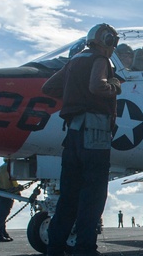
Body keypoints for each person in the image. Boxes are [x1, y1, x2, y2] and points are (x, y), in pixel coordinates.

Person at [42, 23, 121, 256]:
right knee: (94, 194)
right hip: (95, 132)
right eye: (112, 43)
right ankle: (86, 248)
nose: (112, 48)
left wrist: (72, 95)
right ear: (106, 41)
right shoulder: (101, 60)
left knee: (69, 195)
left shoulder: (73, 61)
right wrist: (114, 86)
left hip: (73, 134)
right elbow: (98, 87)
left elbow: (48, 87)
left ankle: (55, 247)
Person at [0, 160, 21, 242]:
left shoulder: (4, 167)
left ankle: (3, 233)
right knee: (1, 216)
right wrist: (17, 191)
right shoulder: (7, 168)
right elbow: (10, 182)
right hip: (4, 194)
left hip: (1, 194)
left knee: (2, 215)